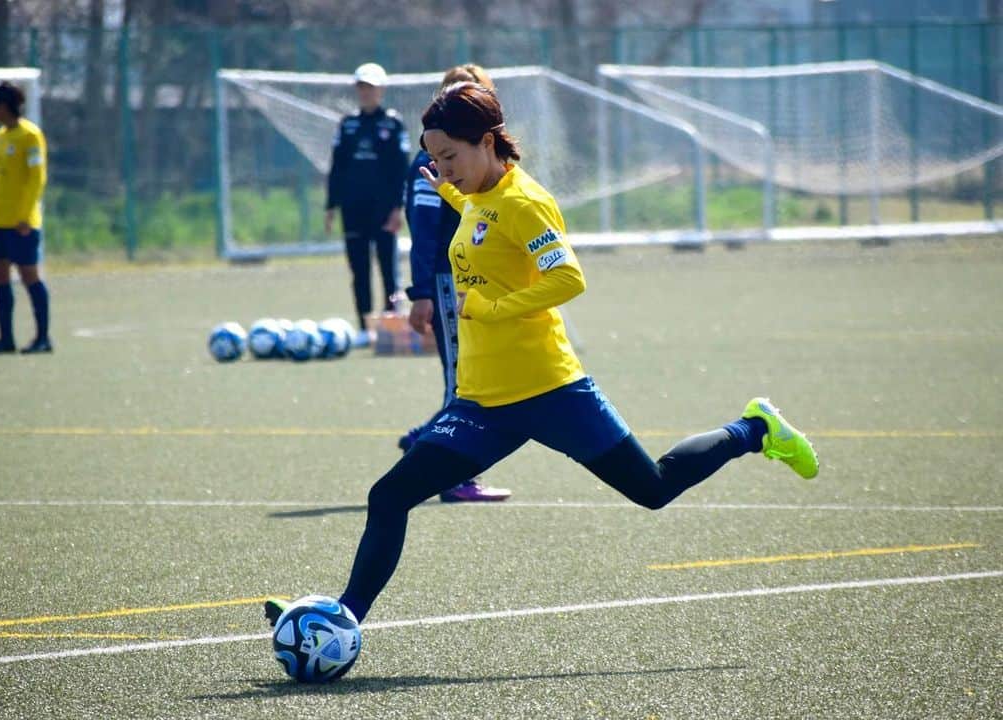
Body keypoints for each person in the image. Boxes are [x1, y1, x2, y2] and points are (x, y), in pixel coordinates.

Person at [267, 82, 818, 631]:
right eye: (435, 158)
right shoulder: (477, 195)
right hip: (483, 403)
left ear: (487, 142)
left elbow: (567, 278)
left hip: (551, 391)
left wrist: (489, 306)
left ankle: (753, 429)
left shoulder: (526, 203)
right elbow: (484, 217)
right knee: (390, 495)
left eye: (450, 157)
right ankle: (344, 619)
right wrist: (451, 193)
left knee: (653, 489)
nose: (443, 169)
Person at [400, 64, 511, 504]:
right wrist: (421, 292)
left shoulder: (480, 161)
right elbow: (424, 228)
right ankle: (450, 473)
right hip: (450, 281)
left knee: (479, 376)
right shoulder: (431, 163)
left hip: (479, 280)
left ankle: (427, 438)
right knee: (463, 380)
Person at [325, 62, 410, 347]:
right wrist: (331, 205)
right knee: (359, 269)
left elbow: (401, 169)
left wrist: (398, 207)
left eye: (371, 87)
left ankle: (390, 325)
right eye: (361, 87)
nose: (366, 92)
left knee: (388, 269)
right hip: (353, 209)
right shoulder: (347, 124)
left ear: (381, 89)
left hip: (384, 209)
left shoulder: (393, 124)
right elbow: (337, 167)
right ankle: (364, 326)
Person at [0, 81, 51, 355]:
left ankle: (43, 338)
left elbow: (37, 178)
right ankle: (6, 339)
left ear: (3, 107)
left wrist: (24, 216)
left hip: (20, 223)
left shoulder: (30, 135)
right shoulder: (0, 137)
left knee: (29, 275)